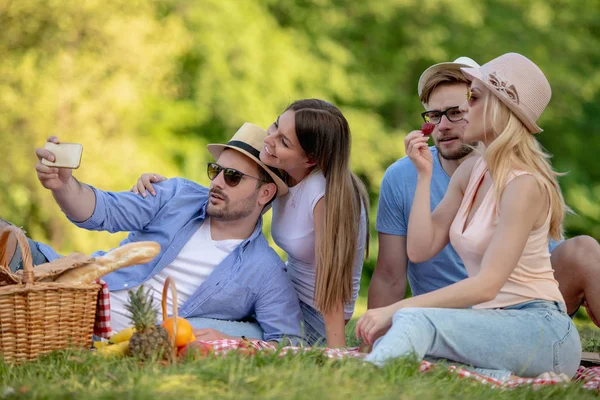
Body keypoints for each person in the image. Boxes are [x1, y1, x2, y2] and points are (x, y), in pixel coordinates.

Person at [357, 53, 581, 379]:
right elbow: (421, 249)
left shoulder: (524, 184)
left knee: (412, 320)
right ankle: (496, 377)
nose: (462, 113)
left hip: (540, 329)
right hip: (493, 323)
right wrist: (423, 175)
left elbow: (487, 285)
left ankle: (359, 381)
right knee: (419, 344)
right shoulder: (472, 170)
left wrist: (393, 310)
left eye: (472, 99)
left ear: (500, 108)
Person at [6, 123, 304, 344]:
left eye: (233, 177)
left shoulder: (265, 271)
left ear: (265, 193)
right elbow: (103, 211)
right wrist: (63, 185)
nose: (218, 183)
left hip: (116, 340)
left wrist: (233, 341)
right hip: (69, 288)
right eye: (216, 170)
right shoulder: (176, 195)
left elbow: (289, 340)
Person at [134, 99, 370, 347]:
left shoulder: (326, 196)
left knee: (191, 332)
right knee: (183, 316)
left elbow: (333, 284)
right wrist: (165, 190)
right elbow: (234, 201)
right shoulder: (285, 173)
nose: (269, 140)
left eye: (284, 141)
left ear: (310, 159)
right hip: (277, 298)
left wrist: (336, 352)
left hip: (313, 318)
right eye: (276, 126)